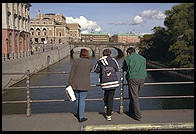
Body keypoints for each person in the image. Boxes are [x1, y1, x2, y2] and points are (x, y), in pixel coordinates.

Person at [94, 49, 120, 121]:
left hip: (105, 82)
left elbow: (96, 70)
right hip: (113, 81)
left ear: (103, 54)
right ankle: (109, 114)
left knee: (106, 94)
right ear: (110, 54)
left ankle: (106, 106)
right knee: (111, 98)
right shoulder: (113, 60)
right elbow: (117, 69)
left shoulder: (99, 61)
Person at [68, 49, 93, 122]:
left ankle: (78, 114)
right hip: (85, 83)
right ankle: (81, 117)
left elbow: (72, 73)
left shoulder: (76, 61)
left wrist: (69, 83)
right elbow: (89, 71)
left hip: (75, 83)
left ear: (80, 54)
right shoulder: (90, 63)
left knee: (77, 99)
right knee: (82, 99)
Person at [122, 47, 147, 121]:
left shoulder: (128, 58)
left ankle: (137, 116)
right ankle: (131, 111)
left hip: (133, 78)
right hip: (142, 78)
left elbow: (124, 68)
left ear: (128, 53)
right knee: (133, 95)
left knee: (134, 97)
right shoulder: (143, 58)